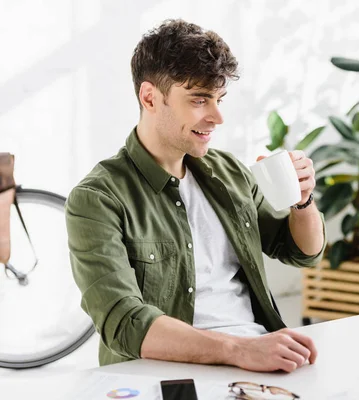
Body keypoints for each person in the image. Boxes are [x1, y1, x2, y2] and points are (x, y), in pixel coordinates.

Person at [65, 19, 326, 372]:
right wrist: (240, 350)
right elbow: (124, 322)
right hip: (167, 373)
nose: (217, 117)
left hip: (258, 358)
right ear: (150, 97)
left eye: (219, 100)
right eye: (200, 100)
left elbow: (300, 252)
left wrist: (303, 201)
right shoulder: (98, 199)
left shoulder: (230, 172)